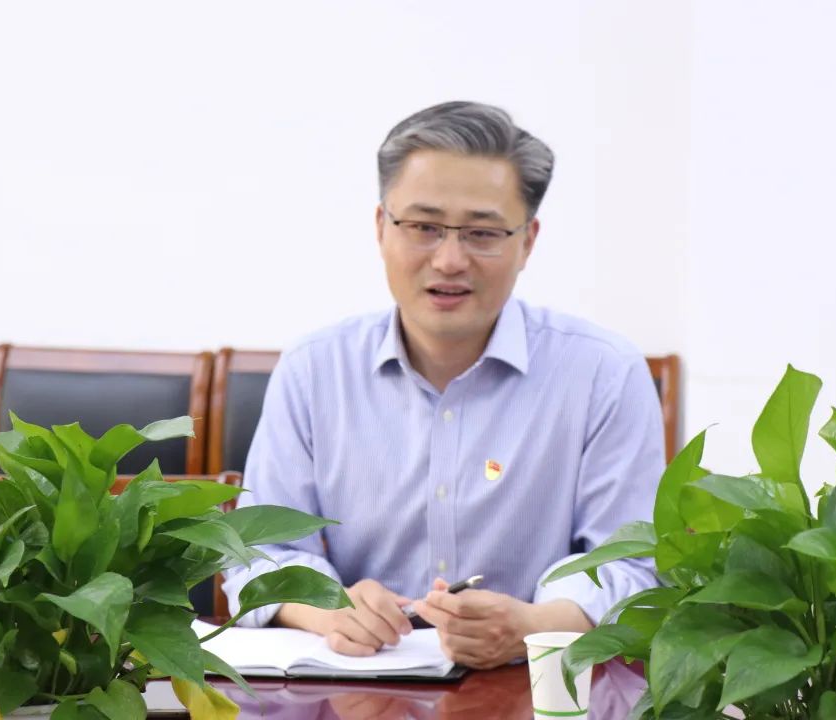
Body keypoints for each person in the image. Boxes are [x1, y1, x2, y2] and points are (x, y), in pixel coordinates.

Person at [222, 101, 666, 669]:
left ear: (527, 242)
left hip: (538, 685)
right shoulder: (313, 370)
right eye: (424, 227)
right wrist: (330, 609)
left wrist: (534, 625)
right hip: (356, 688)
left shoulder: (605, 373)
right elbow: (258, 552)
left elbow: (632, 565)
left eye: (482, 233)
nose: (451, 260)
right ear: (381, 227)